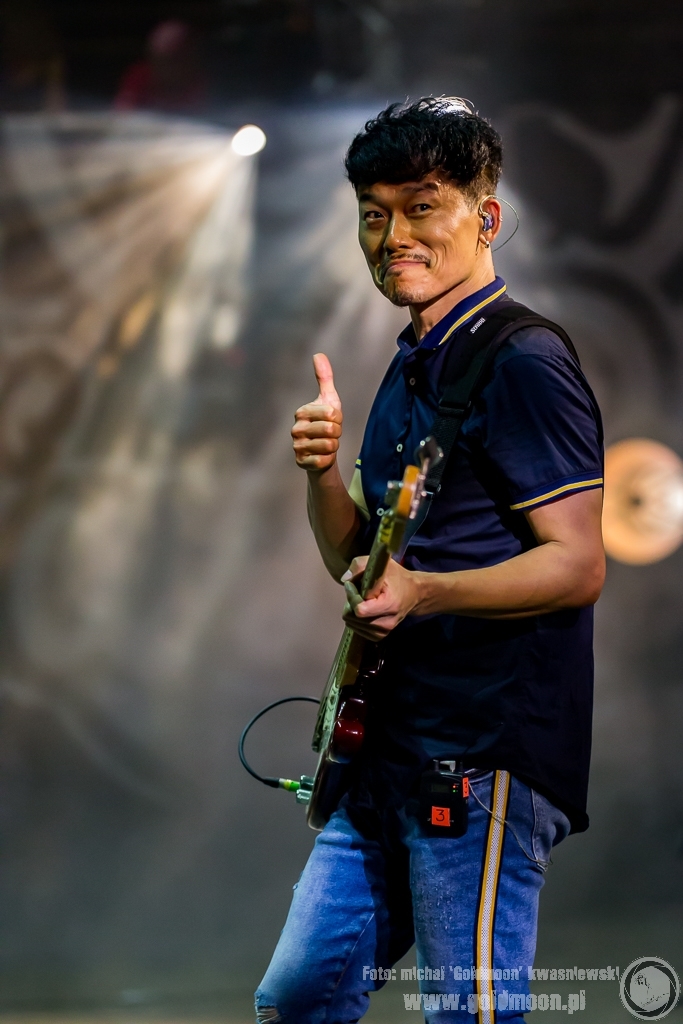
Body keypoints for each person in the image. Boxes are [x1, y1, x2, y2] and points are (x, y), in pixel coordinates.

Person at [256, 97, 605, 1024]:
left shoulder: (522, 360)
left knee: (466, 1013)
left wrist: (428, 591)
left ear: (484, 218)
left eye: (420, 207)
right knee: (298, 999)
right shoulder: (414, 363)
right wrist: (323, 472)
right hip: (388, 749)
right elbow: (361, 563)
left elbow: (577, 565)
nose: (392, 237)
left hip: (480, 751)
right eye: (373, 214)